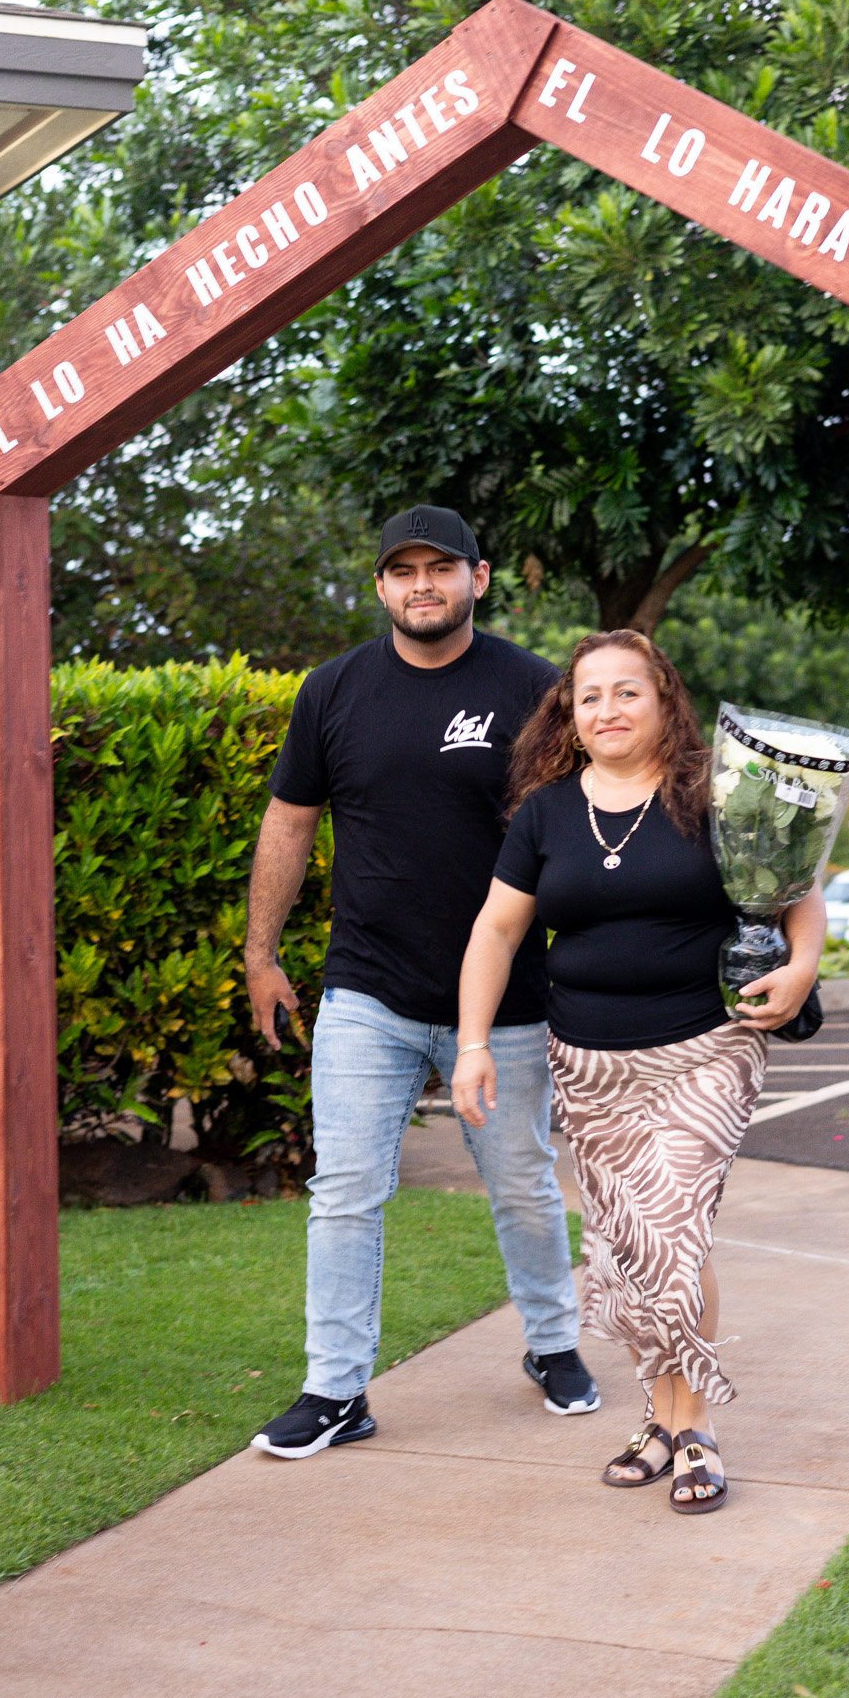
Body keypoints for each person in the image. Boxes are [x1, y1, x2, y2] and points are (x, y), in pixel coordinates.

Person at [243, 505, 597, 1460]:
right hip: (368, 987)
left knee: (522, 1186)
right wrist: (260, 952)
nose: (422, 585)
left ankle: (554, 1344)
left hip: (508, 996)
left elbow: (579, 825)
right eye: (403, 572)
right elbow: (289, 822)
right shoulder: (334, 691)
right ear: (380, 589)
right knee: (346, 1189)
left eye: (441, 567)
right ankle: (334, 1390)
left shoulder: (534, 689)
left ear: (479, 579)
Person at [450, 630, 825, 1514]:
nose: (606, 710)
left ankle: (692, 1427)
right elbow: (495, 932)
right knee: (625, 1250)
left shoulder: (720, 795)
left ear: (664, 702)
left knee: (671, 1238)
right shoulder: (544, 812)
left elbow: (800, 892)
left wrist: (801, 966)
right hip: (586, 1061)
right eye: (588, 697)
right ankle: (657, 1419)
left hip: (705, 1048)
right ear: (568, 715)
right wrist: (471, 1045)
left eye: (627, 693)